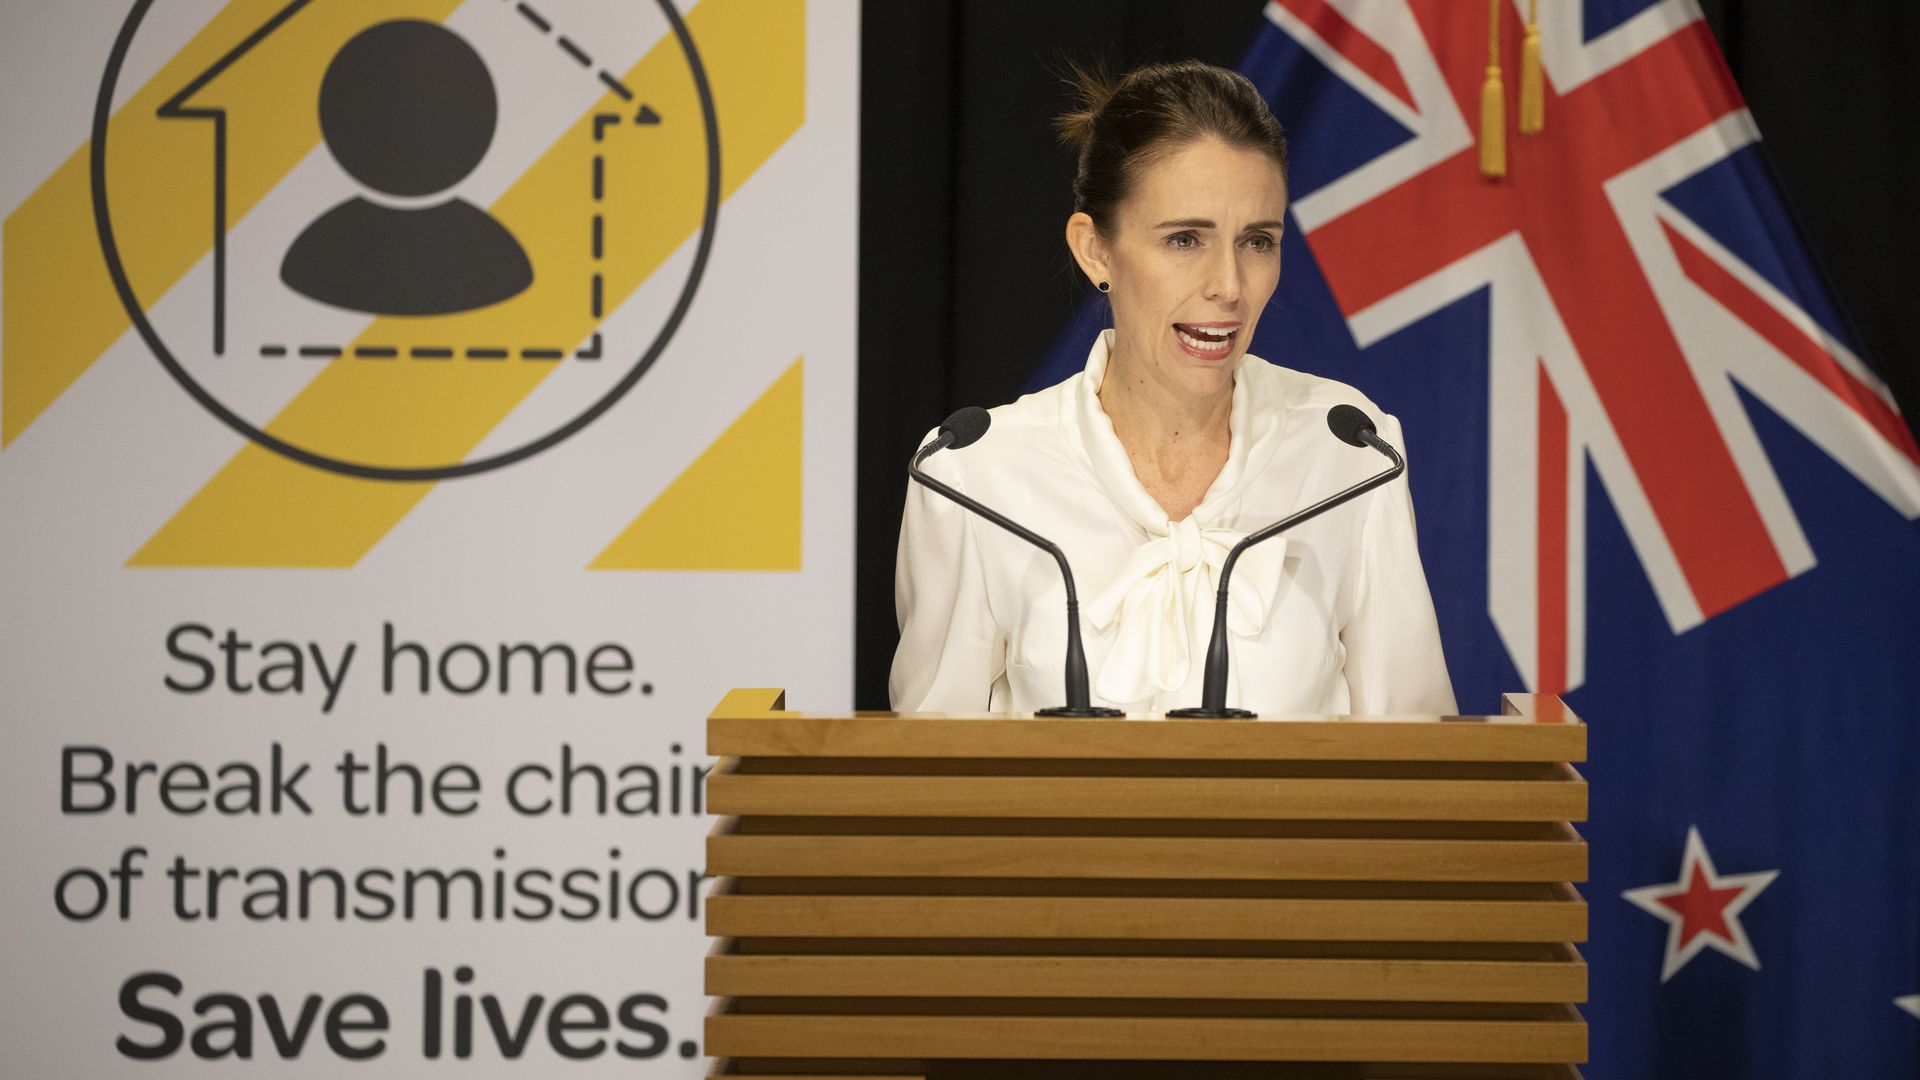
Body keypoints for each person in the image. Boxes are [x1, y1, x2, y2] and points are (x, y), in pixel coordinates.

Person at [890, 60, 1456, 718]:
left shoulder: (1350, 455)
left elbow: (1417, 762)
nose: (1230, 286)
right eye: (1185, 239)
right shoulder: (975, 479)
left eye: (1257, 241)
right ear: (1095, 250)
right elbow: (934, 783)